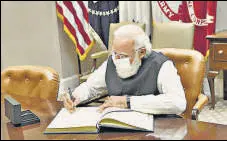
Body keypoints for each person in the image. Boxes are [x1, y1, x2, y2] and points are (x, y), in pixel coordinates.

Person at [61, 24, 186, 116]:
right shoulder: (112, 61)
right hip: (117, 126)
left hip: (155, 129)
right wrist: (77, 95)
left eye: (122, 56)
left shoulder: (161, 65)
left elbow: (178, 102)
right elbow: (91, 87)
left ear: (141, 52)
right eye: (114, 53)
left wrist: (127, 102)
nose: (116, 59)